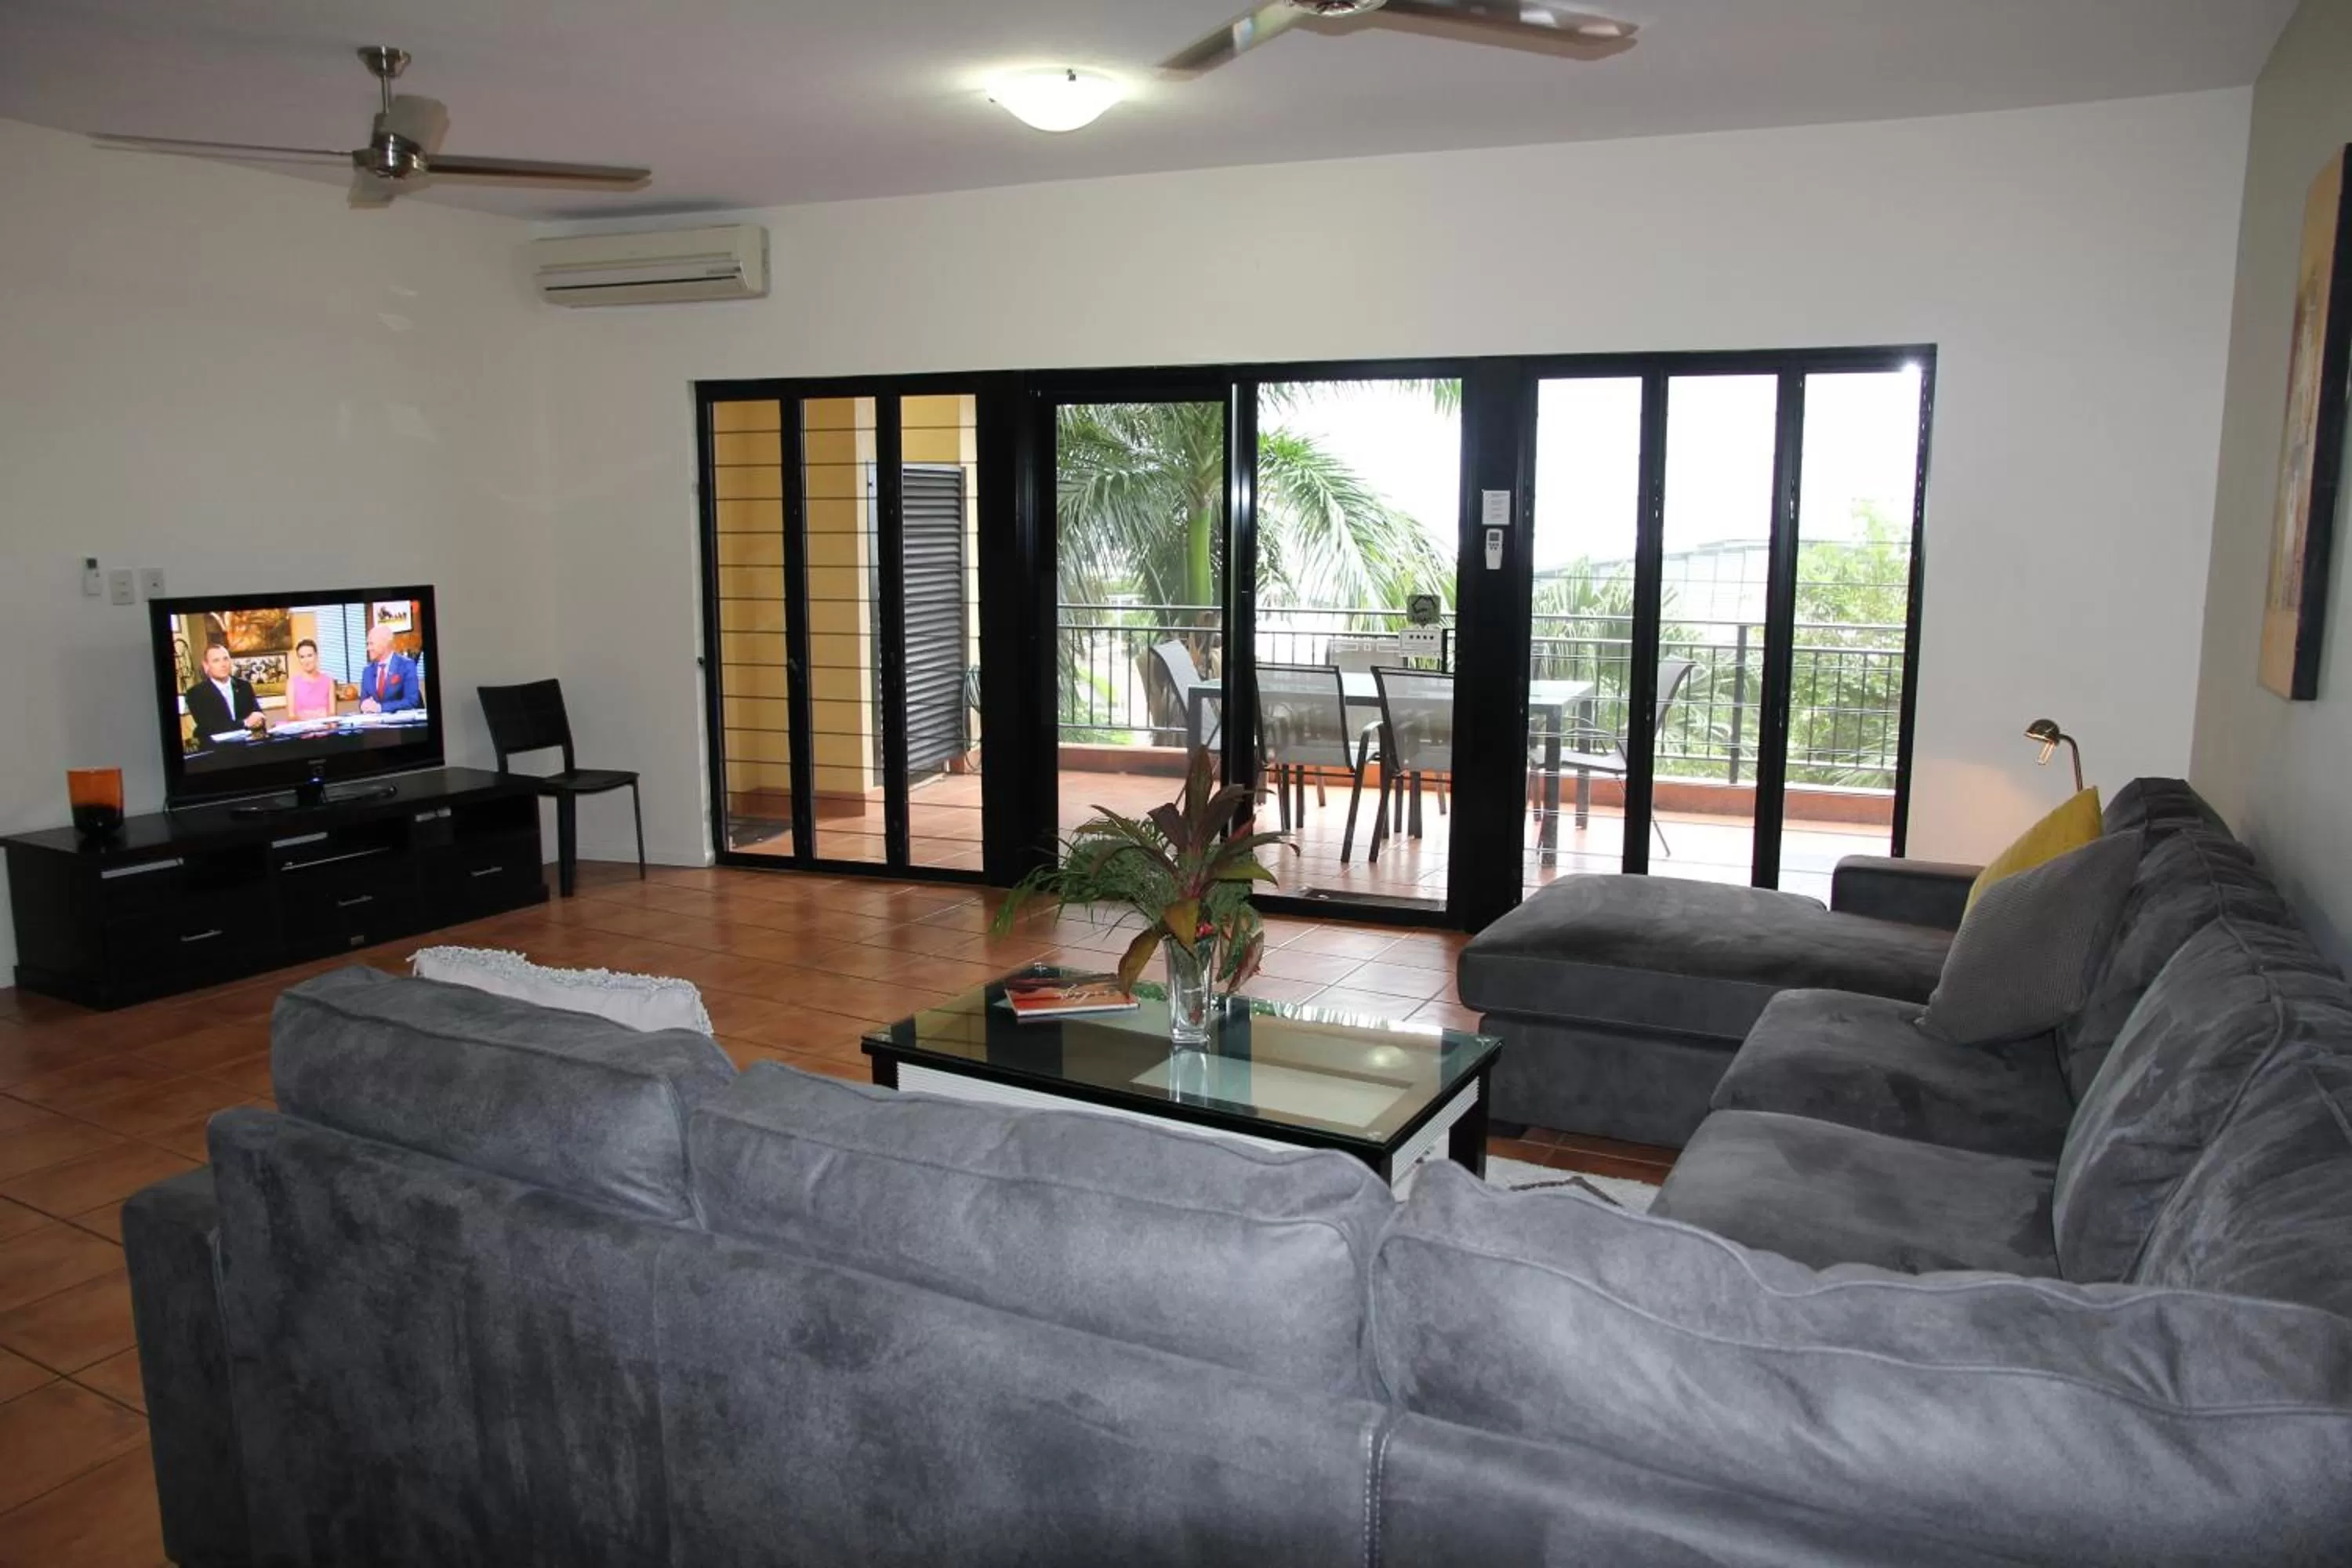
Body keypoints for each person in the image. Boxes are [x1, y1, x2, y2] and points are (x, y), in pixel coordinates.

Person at [184, 642, 266, 739]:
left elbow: (257, 713)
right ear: (206, 666)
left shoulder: (244, 686)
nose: (223, 664)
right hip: (213, 748)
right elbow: (210, 727)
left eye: (226, 659)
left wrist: (259, 720)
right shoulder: (195, 693)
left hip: (246, 744)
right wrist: (245, 723)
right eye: (216, 661)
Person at [358, 623, 423, 713]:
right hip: (375, 725)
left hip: (402, 725)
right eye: (368, 644)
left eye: (371, 643)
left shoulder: (406, 665)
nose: (368, 648)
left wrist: (380, 708)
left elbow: (412, 702)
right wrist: (364, 705)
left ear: (385, 643)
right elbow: (363, 701)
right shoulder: (367, 671)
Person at [283, 637, 336, 720]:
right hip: (301, 730)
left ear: (316, 656)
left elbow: (332, 714)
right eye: (302, 657)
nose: (306, 661)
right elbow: (291, 716)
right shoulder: (292, 683)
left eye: (310, 656)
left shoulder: (329, 681)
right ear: (299, 659)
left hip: (326, 730)